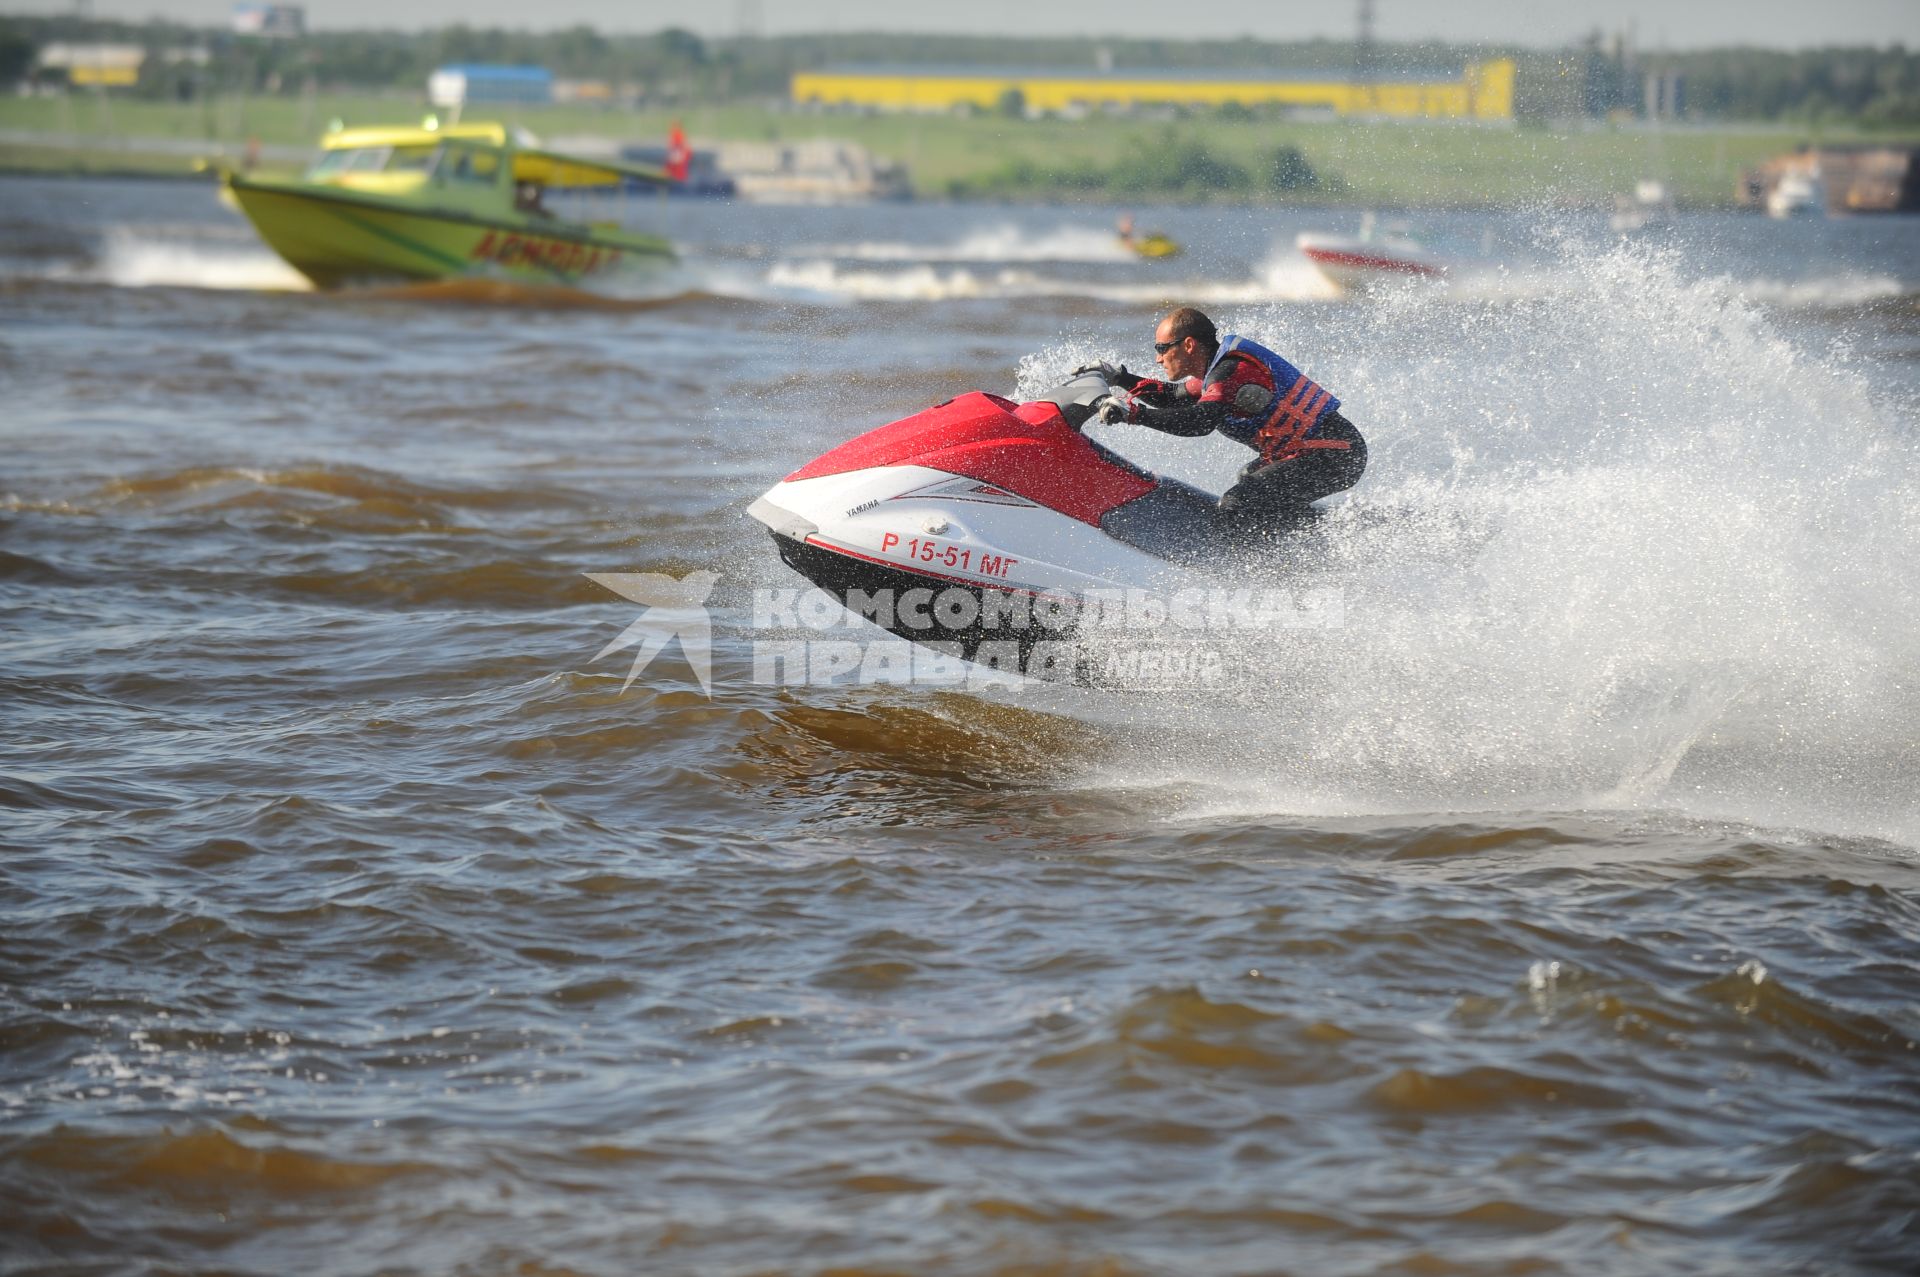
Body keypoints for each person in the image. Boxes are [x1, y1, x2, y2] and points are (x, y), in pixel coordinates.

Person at [1083, 306, 1367, 537]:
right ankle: (1309, 541)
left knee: (1238, 503)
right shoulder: (1214, 373)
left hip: (1336, 454)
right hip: (1318, 453)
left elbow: (1199, 422)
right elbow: (1174, 397)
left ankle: (1257, 574)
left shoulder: (1231, 372)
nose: (1158, 359)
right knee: (1250, 481)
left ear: (1189, 345)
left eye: (1162, 348)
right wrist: (1119, 377)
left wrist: (1134, 415)